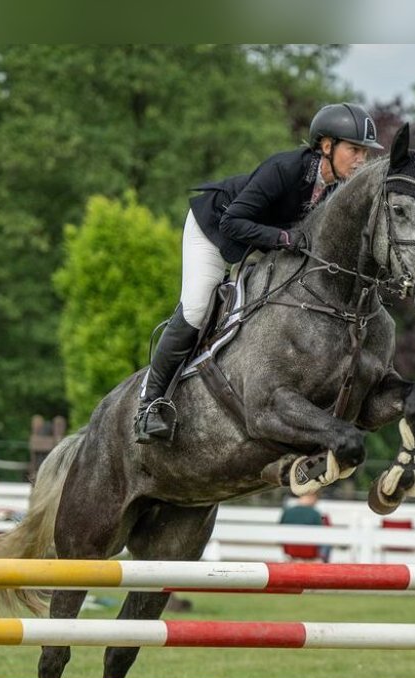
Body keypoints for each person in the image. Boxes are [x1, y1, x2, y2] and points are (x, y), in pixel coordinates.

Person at [134, 102, 384, 443]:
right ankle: (150, 404)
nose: (361, 161)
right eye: (354, 150)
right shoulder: (285, 169)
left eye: (365, 153)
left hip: (262, 241)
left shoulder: (337, 188)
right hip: (214, 230)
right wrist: (283, 238)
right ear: (327, 146)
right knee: (196, 308)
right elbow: (232, 222)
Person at [279, 490, 332, 563]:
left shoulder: (287, 512)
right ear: (312, 497)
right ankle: (323, 561)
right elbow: (323, 535)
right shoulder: (315, 514)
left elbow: (280, 533)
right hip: (310, 554)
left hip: (291, 553)